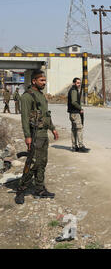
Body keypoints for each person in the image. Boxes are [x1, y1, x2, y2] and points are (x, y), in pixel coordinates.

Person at [15, 70, 59, 205]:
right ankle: (21, 190)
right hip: (35, 135)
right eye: (41, 80)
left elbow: (46, 115)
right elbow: (24, 118)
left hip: (43, 134)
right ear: (34, 81)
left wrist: (53, 128)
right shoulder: (27, 97)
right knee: (33, 163)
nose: (44, 83)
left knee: (42, 162)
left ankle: (39, 189)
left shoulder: (41, 96)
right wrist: (27, 136)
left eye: (45, 80)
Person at [67, 77, 89, 153]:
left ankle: (74, 146)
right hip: (75, 113)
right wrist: (80, 108)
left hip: (72, 113)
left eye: (79, 83)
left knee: (74, 130)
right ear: (74, 83)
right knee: (79, 129)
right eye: (77, 83)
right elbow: (74, 102)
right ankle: (80, 146)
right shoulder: (73, 91)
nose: (79, 84)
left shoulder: (73, 90)